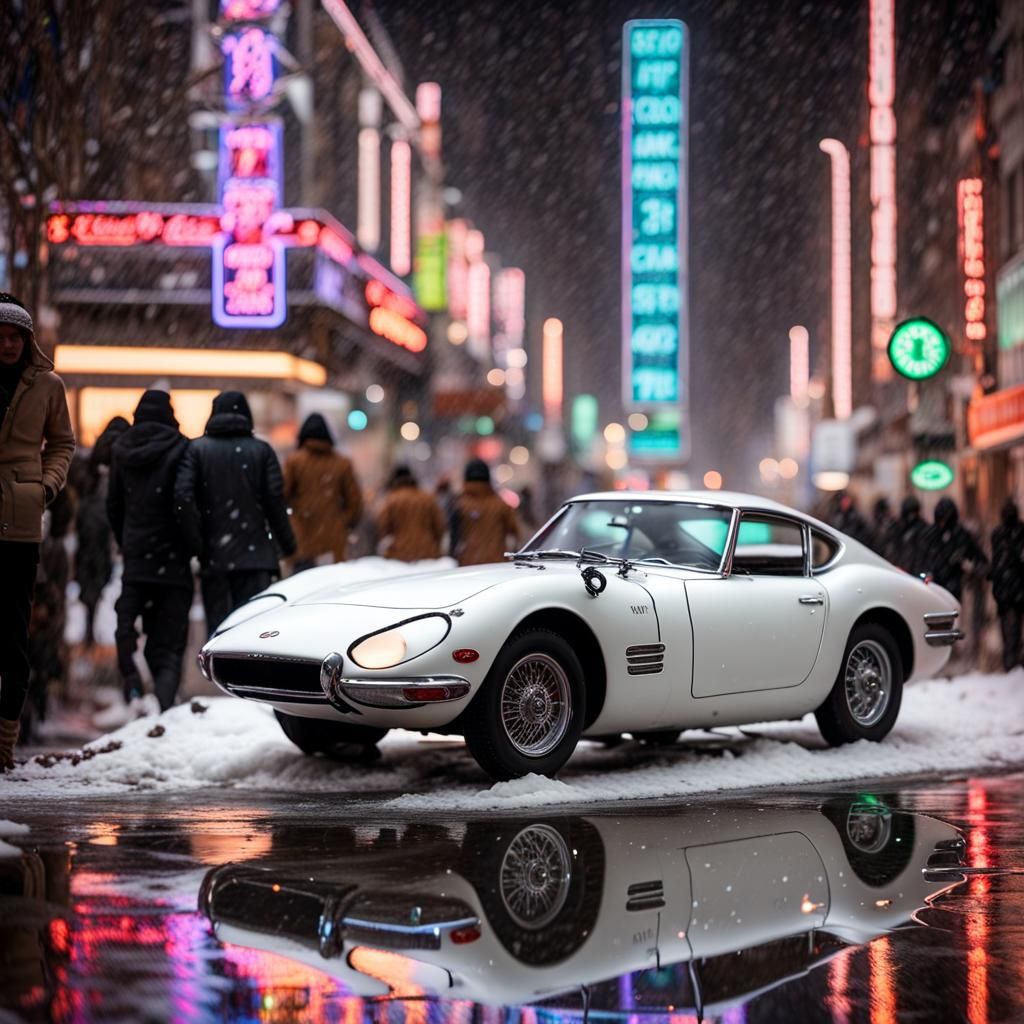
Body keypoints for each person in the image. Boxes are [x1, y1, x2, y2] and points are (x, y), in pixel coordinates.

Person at [0, 294, 75, 771]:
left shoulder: (48, 385)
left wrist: (45, 486)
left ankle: (3, 744)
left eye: (14, 337)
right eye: (0, 337)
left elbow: (63, 443)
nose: (6, 345)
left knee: (12, 638)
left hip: (20, 520)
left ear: (27, 341)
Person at [174, 390, 296, 635]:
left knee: (219, 631)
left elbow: (182, 496)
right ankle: (248, 673)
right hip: (256, 558)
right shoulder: (262, 451)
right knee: (253, 631)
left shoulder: (196, 450)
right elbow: (275, 501)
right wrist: (286, 543)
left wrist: (197, 543)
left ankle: (219, 673)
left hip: (215, 557)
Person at [104, 390, 193, 721]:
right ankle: (165, 708)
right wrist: (191, 544)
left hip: (137, 558)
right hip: (173, 562)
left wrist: (127, 540)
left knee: (126, 625)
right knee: (168, 644)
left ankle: (132, 684)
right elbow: (185, 503)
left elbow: (113, 505)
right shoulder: (183, 448)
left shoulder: (121, 450)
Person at [283, 412, 363, 572]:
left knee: (303, 590)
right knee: (331, 589)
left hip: (302, 539)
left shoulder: (294, 462)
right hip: (332, 542)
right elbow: (355, 503)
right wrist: (342, 523)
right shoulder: (342, 463)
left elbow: (282, 496)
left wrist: (292, 521)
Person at [74, 415, 129, 647]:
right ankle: (122, 634)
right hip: (113, 521)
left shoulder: (96, 453)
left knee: (91, 576)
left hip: (90, 524)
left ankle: (90, 619)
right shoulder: (127, 449)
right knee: (110, 574)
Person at [451, 458, 520, 566]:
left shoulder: (459, 504)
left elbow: (453, 537)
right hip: (496, 562)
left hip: (468, 564)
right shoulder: (501, 505)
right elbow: (515, 532)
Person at [923, 496, 987, 602]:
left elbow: (977, 556)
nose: (943, 523)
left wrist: (970, 567)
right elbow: (922, 556)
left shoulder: (960, 534)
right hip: (934, 585)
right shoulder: (931, 534)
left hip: (953, 585)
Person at [376, 465, 446, 561]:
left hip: (399, 554)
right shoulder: (428, 499)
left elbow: (382, 527)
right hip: (428, 553)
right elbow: (439, 527)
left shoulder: (391, 500)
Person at [989, 497, 1024, 671]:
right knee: (1009, 628)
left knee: (1013, 628)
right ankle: (1010, 662)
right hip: (1008, 588)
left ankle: (1012, 661)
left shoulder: (1011, 533)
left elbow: (997, 562)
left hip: (1013, 587)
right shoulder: (999, 534)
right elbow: (997, 562)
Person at [884, 495, 930, 576]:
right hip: (901, 571)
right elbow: (893, 549)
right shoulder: (897, 527)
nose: (911, 516)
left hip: (916, 571)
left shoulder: (923, 528)